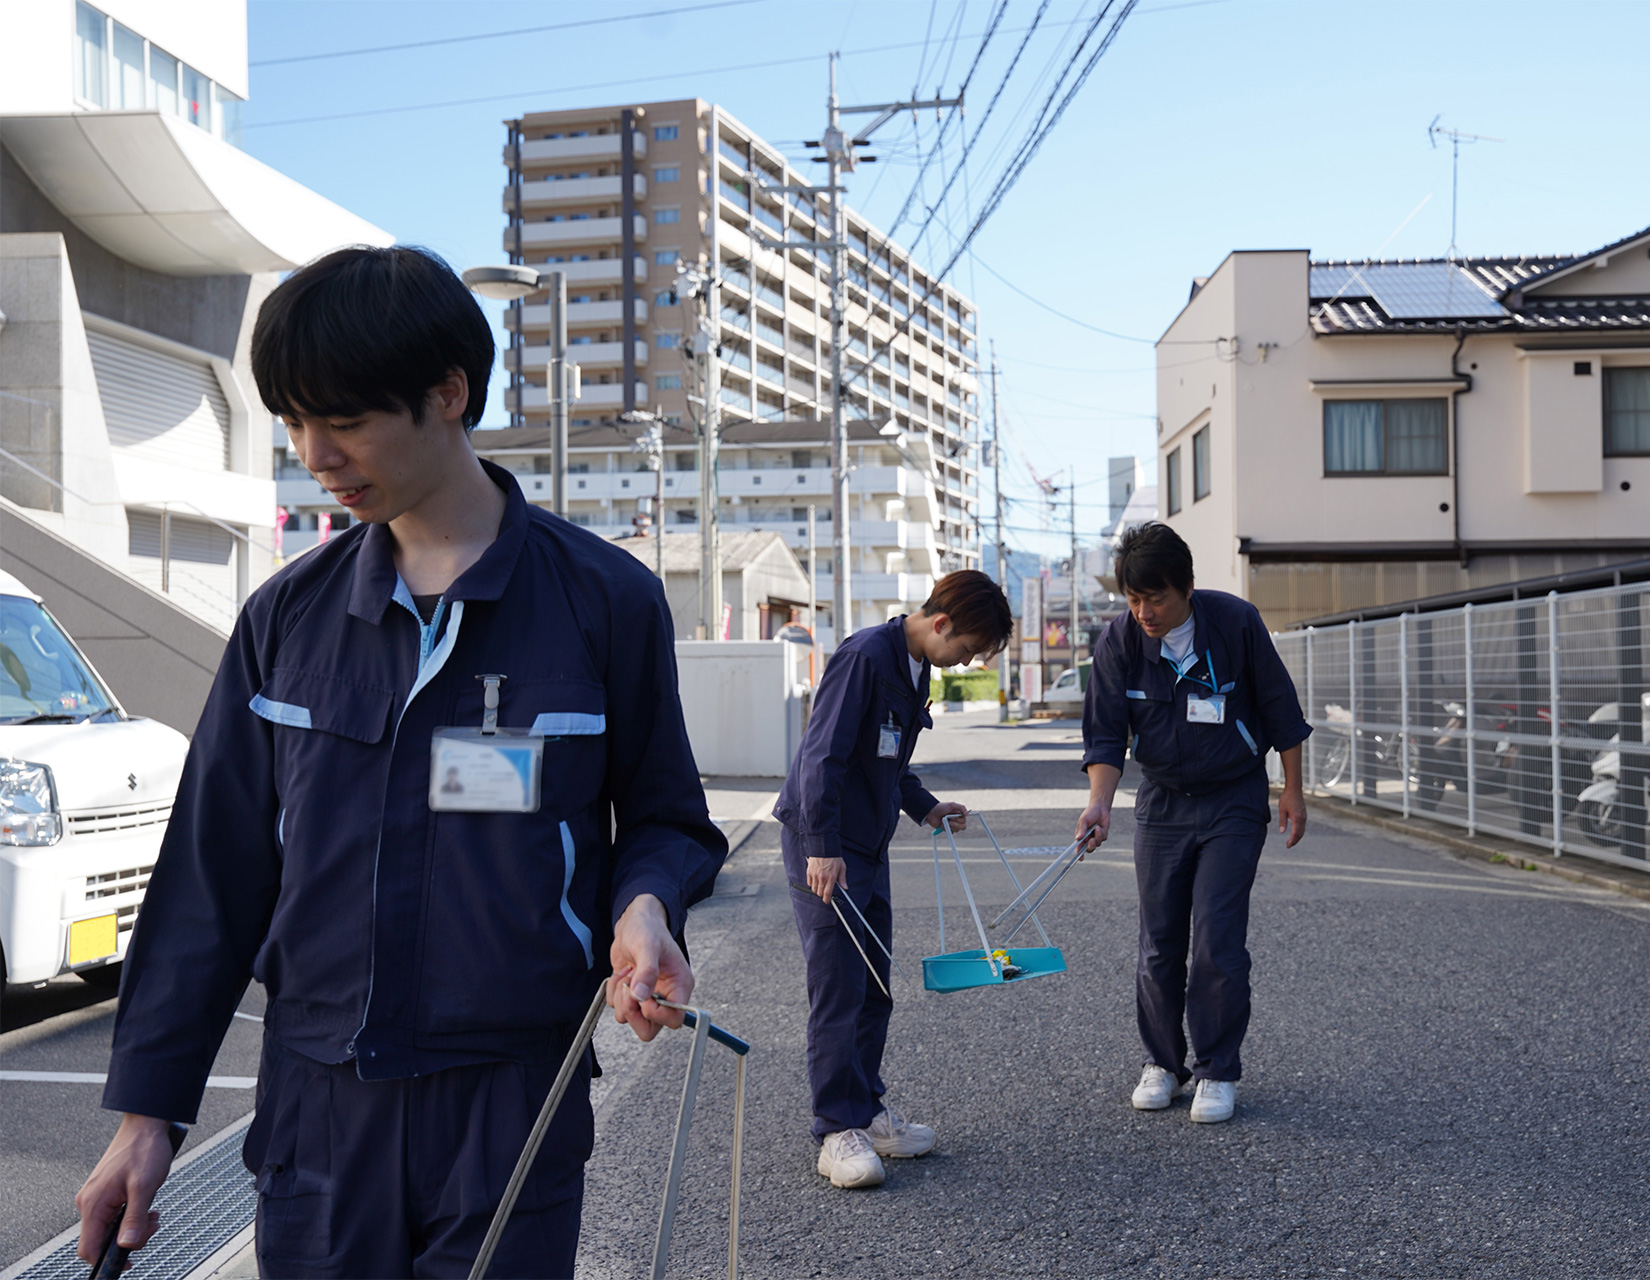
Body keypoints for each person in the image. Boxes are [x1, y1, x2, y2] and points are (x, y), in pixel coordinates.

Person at [76, 246, 727, 1278]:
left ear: (448, 393)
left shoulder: (604, 600)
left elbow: (665, 816)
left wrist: (646, 906)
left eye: (343, 420)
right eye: (294, 422)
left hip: (512, 1099)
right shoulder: (285, 618)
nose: (315, 454)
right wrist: (145, 1115)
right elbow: (211, 877)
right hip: (315, 1107)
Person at [773, 572, 1013, 1188]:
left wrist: (926, 807)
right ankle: (836, 1130)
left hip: (867, 846)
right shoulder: (864, 657)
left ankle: (866, 1110)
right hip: (826, 846)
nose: (965, 662)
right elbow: (820, 756)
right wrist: (821, 848)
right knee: (838, 987)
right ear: (942, 624)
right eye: (967, 650)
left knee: (874, 986)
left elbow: (889, 760)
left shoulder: (915, 665)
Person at [1077, 522, 1310, 1125]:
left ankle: (1216, 1069)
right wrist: (1100, 803)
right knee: (1158, 943)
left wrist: (1292, 790)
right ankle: (1162, 1062)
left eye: (1155, 598)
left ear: (1186, 588)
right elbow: (1105, 735)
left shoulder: (1235, 622)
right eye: (1133, 599)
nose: (1144, 612)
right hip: (1161, 802)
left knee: (1216, 938)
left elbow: (1281, 709)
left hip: (1233, 798)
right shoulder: (1120, 640)